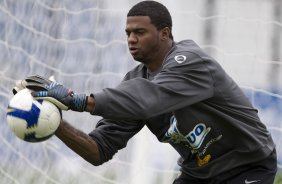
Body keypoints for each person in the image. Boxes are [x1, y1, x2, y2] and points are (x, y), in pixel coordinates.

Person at [15, 1, 277, 183]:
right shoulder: (135, 84)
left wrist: (77, 100)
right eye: (128, 33)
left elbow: (149, 98)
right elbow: (98, 150)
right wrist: (53, 122)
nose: (131, 39)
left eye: (140, 32)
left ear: (164, 34)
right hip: (200, 175)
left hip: (246, 165)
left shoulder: (190, 61)